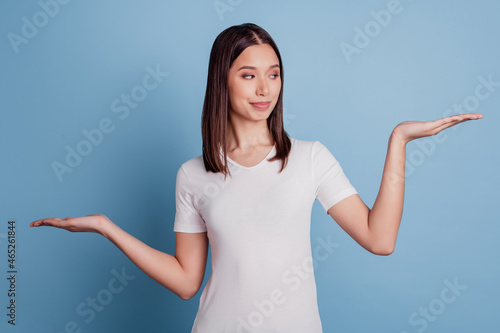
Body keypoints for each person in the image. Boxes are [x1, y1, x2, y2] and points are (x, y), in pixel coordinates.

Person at [30, 23, 483, 332]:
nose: (264, 89)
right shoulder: (192, 174)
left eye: (274, 74)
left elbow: (379, 239)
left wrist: (398, 140)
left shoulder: (310, 158)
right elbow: (188, 282)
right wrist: (107, 227)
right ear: (222, 81)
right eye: (249, 75)